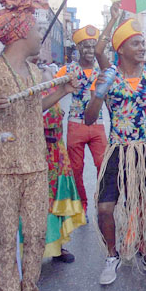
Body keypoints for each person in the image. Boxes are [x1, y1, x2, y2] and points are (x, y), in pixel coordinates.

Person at [0, 0, 78, 291]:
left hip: (35, 163)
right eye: (35, 32)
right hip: (1, 167)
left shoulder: (33, 72)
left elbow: (34, 109)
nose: (38, 37)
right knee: (4, 237)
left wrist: (61, 91)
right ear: (19, 34)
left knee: (36, 234)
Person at [84, 18, 146, 284]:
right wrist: (99, 92)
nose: (141, 48)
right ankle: (112, 257)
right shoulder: (109, 76)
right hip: (118, 150)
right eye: (136, 43)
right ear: (122, 49)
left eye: (142, 43)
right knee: (105, 207)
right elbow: (89, 118)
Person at [32, 61, 85, 263]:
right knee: (38, 202)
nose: (48, 74)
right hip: (38, 153)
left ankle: (57, 246)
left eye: (47, 72)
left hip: (58, 154)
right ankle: (33, 250)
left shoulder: (55, 91)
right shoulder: (31, 93)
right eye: (43, 71)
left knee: (58, 200)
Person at [55, 25, 107, 216]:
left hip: (98, 125)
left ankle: (102, 202)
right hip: (75, 124)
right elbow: (50, 90)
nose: (90, 51)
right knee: (76, 169)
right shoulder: (67, 70)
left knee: (103, 166)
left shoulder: (103, 72)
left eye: (93, 46)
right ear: (78, 48)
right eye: (85, 46)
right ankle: (81, 205)